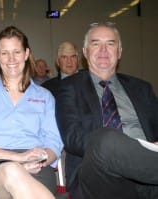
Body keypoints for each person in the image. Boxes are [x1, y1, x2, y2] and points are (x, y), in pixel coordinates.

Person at [55, 22, 158, 199]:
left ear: (119, 52)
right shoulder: (69, 88)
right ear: (86, 52)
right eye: (96, 44)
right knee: (106, 139)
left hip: (149, 176)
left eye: (110, 44)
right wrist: (126, 148)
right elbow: (72, 138)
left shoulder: (142, 88)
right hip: (99, 175)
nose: (103, 50)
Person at [0, 26, 64, 199]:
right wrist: (18, 160)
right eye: (4, 53)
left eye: (16, 52)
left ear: (26, 54)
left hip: (37, 167)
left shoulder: (45, 97)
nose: (11, 58)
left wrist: (39, 159)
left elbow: (54, 143)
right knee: (11, 170)